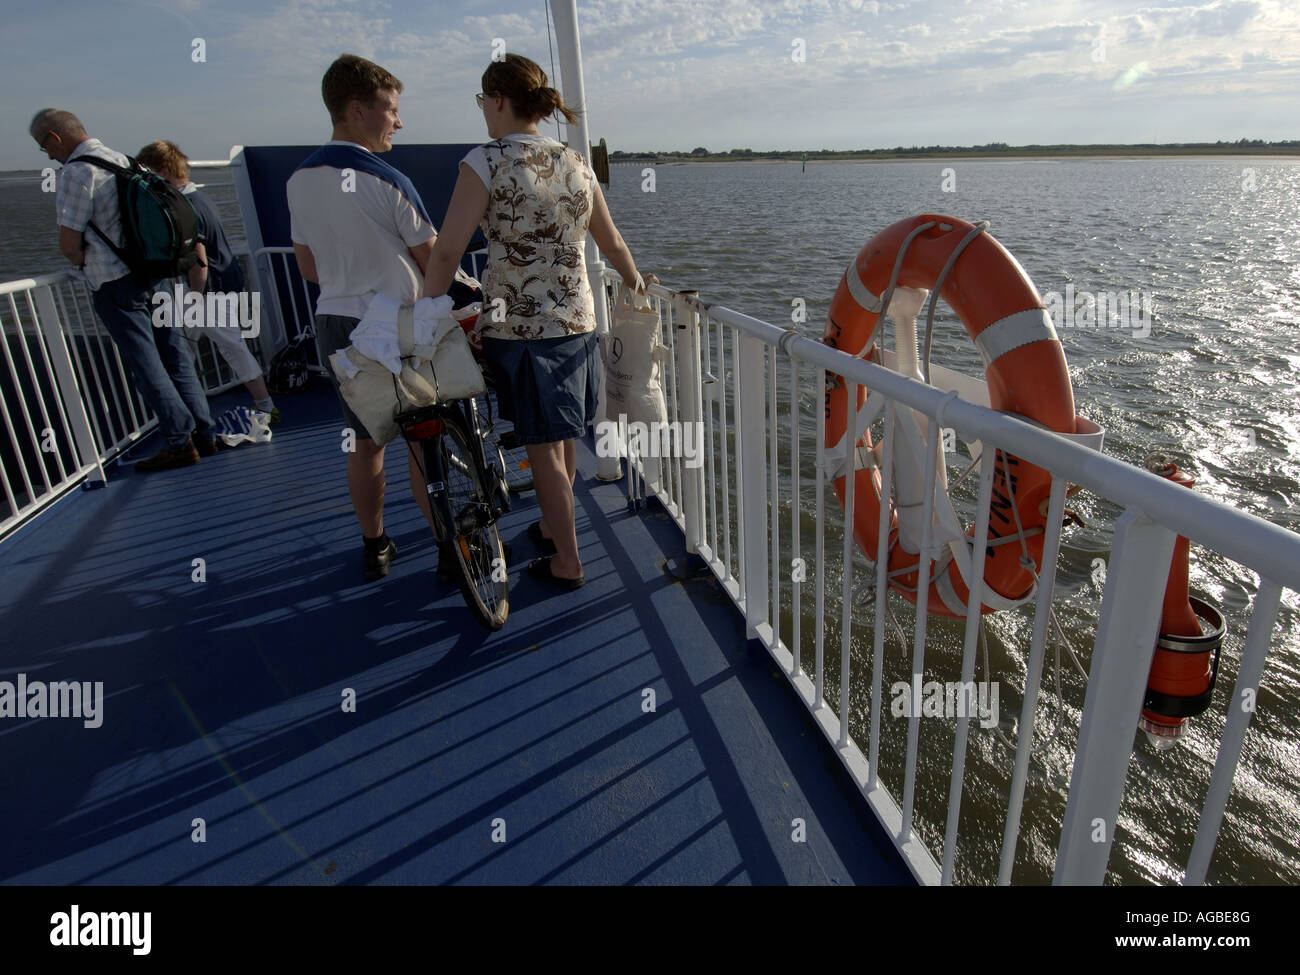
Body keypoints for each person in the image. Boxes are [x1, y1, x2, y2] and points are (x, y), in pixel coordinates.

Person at [421, 53, 655, 589]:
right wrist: (637, 283)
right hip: (578, 321)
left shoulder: (485, 161)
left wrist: (422, 313)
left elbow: (446, 251)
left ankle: (568, 561)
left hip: (522, 330)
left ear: (498, 101)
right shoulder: (576, 162)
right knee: (563, 438)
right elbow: (612, 243)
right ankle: (553, 527)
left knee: (543, 446)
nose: (483, 111)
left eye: (483, 101)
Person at [286, 54, 439, 581]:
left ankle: (374, 545)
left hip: (337, 323)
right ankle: (449, 544)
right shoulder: (387, 179)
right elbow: (432, 260)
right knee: (423, 438)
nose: (398, 122)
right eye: (391, 110)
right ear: (357, 109)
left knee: (366, 443)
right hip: (397, 323)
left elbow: (308, 267)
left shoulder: (298, 181)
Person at [30, 109, 220, 471]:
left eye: (44, 148)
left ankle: (180, 442)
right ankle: (204, 433)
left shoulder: (76, 172)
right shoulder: (126, 162)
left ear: (55, 138)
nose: (48, 155)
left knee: (146, 364)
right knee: (174, 355)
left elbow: (69, 244)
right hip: (157, 275)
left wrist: (82, 259)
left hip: (117, 285)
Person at [136, 140, 280, 424]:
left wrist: (195, 295)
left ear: (164, 172)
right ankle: (196, 411)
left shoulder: (183, 207)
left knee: (224, 348)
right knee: (193, 348)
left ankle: (264, 407)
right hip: (222, 282)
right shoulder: (200, 199)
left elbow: (198, 258)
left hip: (206, 291)